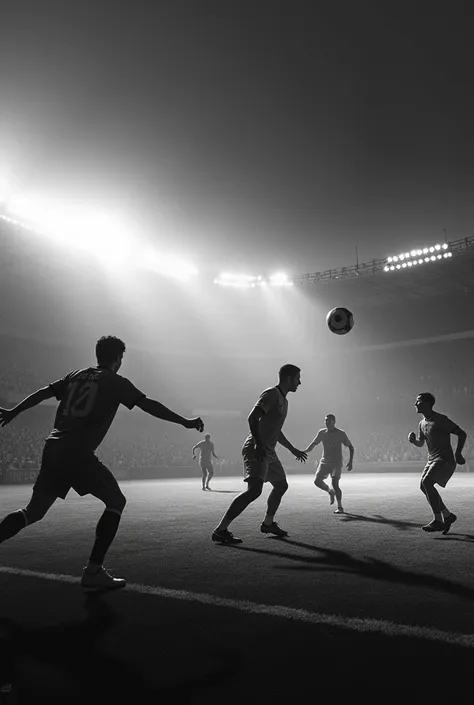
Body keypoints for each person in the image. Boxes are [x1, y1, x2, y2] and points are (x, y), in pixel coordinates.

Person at [0, 336, 204, 591]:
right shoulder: (115, 382)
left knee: (34, 512)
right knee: (116, 502)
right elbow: (148, 405)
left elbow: (43, 393)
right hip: (77, 452)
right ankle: (93, 571)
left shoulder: (75, 375)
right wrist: (184, 421)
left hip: (53, 448)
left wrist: (13, 411)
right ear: (118, 359)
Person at [211, 364, 307, 544]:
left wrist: (292, 449)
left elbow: (276, 431)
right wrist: (258, 444)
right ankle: (220, 530)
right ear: (288, 379)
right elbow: (252, 417)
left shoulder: (284, 401)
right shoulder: (271, 394)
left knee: (281, 485)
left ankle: (268, 524)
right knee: (254, 491)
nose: (299, 382)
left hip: (268, 451)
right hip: (257, 448)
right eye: (297, 378)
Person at [408, 392, 466, 533]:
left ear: (427, 403)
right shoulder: (421, 423)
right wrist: (413, 441)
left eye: (418, 401)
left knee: (427, 482)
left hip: (445, 459)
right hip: (432, 459)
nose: (415, 404)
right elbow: (421, 443)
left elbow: (462, 433)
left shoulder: (441, 419)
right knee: (423, 486)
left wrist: (458, 452)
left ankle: (438, 520)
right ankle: (448, 516)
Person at [304, 414, 354, 514]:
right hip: (324, 462)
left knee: (335, 484)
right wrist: (304, 451)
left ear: (333, 422)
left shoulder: (341, 433)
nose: (326, 423)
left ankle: (340, 507)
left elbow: (351, 447)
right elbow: (313, 444)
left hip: (336, 463)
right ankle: (330, 491)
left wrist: (350, 462)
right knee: (317, 481)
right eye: (325, 421)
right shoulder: (322, 433)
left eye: (328, 421)